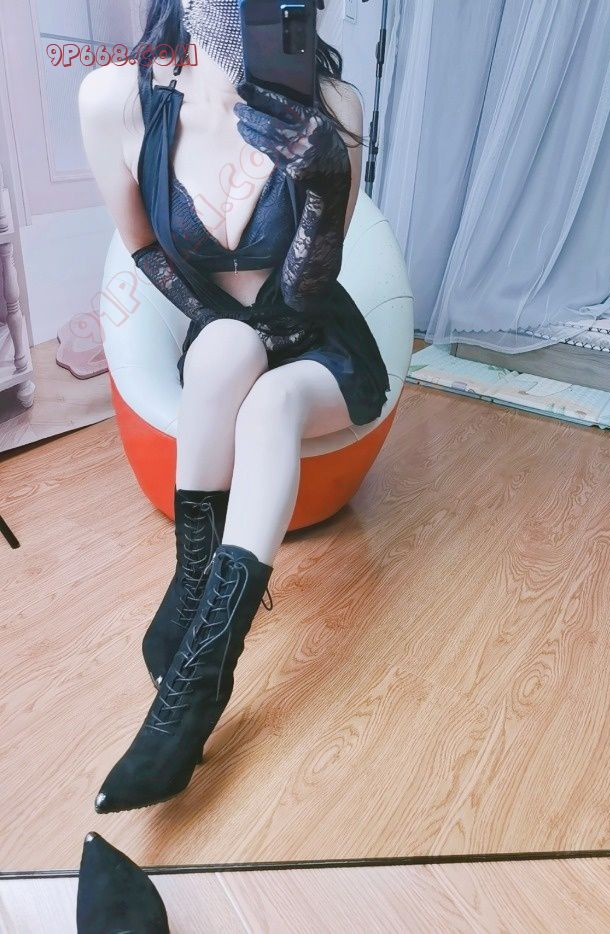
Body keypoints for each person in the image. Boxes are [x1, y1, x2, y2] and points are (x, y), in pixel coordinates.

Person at [78, 0, 389, 813]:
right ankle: (192, 583)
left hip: (318, 348)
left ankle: (197, 688)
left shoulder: (336, 106)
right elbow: (144, 247)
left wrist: (323, 188)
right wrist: (226, 325)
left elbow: (305, 294)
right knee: (224, 347)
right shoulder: (116, 99)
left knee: (270, 401)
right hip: (226, 338)